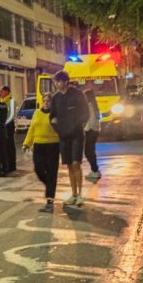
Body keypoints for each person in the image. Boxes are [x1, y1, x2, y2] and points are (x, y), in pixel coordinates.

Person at [49, 70, 89, 206]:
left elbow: (85, 113)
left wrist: (77, 125)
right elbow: (52, 117)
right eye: (55, 81)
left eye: (58, 81)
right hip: (63, 137)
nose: (56, 83)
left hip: (77, 134)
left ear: (65, 81)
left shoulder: (77, 94)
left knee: (76, 163)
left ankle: (80, 195)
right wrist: (58, 129)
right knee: (69, 166)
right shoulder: (55, 98)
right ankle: (74, 194)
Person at [24, 93, 61, 213]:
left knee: (51, 171)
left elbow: (62, 129)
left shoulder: (56, 114)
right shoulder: (37, 113)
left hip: (53, 145)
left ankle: (50, 200)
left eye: (48, 101)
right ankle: (50, 186)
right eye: (44, 100)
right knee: (38, 170)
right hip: (39, 145)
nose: (46, 102)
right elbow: (32, 129)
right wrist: (27, 143)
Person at [82, 89, 102, 182]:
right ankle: (94, 170)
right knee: (91, 151)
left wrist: (86, 129)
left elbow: (91, 120)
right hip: (94, 130)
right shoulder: (94, 105)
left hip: (90, 130)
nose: (84, 98)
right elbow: (97, 118)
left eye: (85, 96)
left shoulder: (89, 106)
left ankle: (95, 170)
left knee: (87, 151)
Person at [0, 85, 18, 174]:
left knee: (10, 145)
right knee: (4, 146)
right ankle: (6, 165)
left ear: (6, 92)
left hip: (8, 126)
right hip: (3, 126)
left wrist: (5, 123)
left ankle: (12, 165)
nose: (0, 93)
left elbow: (11, 115)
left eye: (2, 91)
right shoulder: (2, 101)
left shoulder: (11, 101)